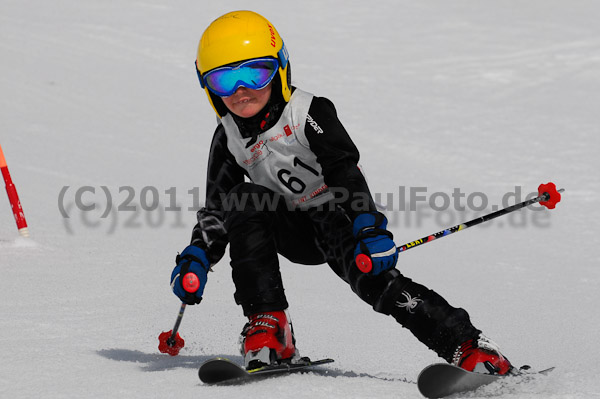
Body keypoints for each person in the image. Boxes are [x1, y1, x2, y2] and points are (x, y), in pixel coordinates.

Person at [170, 10, 513, 374]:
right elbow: (217, 208)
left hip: (337, 219)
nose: (241, 91)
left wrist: (368, 226)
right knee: (242, 198)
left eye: (255, 73)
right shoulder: (228, 136)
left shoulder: (308, 112)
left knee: (377, 285)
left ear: (280, 69)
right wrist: (198, 256)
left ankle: (470, 347)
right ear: (208, 88)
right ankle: (270, 328)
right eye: (225, 80)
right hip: (285, 228)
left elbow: (343, 170)